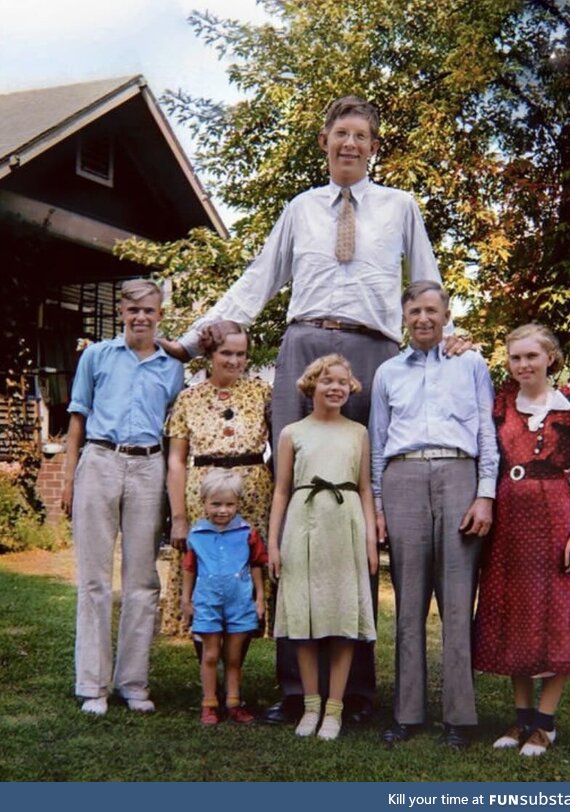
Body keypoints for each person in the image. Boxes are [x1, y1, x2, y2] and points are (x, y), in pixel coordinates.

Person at [161, 95, 451, 724]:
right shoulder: (299, 209)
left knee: (356, 508)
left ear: (375, 147)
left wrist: (450, 338)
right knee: (298, 510)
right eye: (340, 133)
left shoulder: (400, 207)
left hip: (374, 349)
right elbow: (257, 281)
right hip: (304, 343)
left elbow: (425, 285)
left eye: (362, 136)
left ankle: (359, 691)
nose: (350, 144)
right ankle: (296, 690)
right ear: (324, 141)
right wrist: (190, 339)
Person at [369, 280, 499, 748]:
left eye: (431, 311)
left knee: (458, 600)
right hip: (404, 478)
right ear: (404, 318)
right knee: (408, 603)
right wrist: (379, 506)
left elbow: (487, 432)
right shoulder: (388, 372)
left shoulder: (470, 363)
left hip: (459, 476)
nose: (423, 319)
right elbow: (379, 442)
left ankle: (460, 718)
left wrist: (485, 494)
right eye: (414, 312)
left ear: (446, 315)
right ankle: (407, 713)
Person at [473, 324, 570, 756]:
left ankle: (546, 723)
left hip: (556, 517)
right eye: (515, 357)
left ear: (551, 357)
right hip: (510, 519)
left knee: (556, 614)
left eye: (531, 356)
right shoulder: (502, 403)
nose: (523, 364)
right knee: (516, 613)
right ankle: (522, 717)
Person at [61, 279, 184, 715]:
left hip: (148, 466)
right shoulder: (96, 356)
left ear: (159, 315)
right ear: (122, 313)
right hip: (100, 459)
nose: (140, 317)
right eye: (133, 310)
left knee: (142, 580)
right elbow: (78, 416)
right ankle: (93, 685)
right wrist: (70, 476)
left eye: (149, 310)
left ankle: (133, 682)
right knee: (93, 578)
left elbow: (175, 433)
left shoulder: (172, 368)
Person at [268, 354, 378, 740]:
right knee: (305, 619)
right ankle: (310, 705)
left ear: (351, 389)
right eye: (327, 380)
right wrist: (274, 543)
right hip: (303, 525)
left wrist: (369, 539)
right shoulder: (292, 433)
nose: (335, 387)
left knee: (342, 620)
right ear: (311, 385)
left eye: (342, 382)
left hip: (345, 526)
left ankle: (335, 709)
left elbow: (364, 488)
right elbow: (281, 491)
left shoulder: (358, 433)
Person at [162, 321, 272, 642]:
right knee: (208, 574)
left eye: (241, 354)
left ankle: (236, 676)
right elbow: (176, 460)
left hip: (253, 494)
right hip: (204, 493)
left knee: (246, 573)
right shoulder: (189, 398)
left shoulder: (262, 392)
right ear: (210, 353)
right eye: (226, 353)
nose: (234, 361)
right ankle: (209, 674)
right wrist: (179, 517)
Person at [182, 469, 267, 726]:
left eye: (230, 504)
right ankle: (209, 704)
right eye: (216, 504)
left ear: (239, 503)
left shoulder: (246, 534)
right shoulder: (197, 535)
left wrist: (259, 598)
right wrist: (186, 601)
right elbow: (189, 569)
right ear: (204, 503)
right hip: (207, 603)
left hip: (239, 603)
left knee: (233, 657)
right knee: (210, 654)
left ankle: (234, 703)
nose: (223, 510)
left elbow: (256, 565)